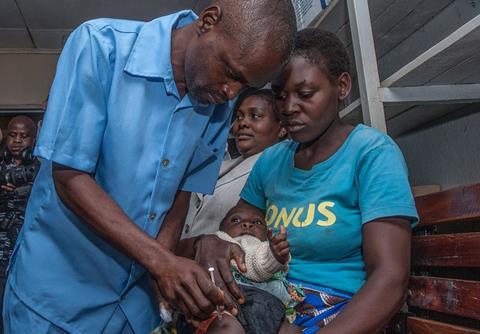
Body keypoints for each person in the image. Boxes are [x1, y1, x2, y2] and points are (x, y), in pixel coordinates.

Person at [2, 1, 296, 333]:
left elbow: (181, 192)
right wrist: (160, 261)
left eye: (243, 85)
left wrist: (165, 269)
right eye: (230, 72)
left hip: (133, 308)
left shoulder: (218, 102)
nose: (231, 91)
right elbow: (69, 177)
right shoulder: (100, 46)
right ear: (208, 21)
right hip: (58, 297)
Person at [191, 28, 419, 334]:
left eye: (306, 94)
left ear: (342, 86)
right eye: (280, 96)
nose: (288, 107)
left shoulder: (372, 154)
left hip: (341, 315)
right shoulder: (272, 160)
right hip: (270, 304)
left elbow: (390, 279)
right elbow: (237, 231)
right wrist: (210, 243)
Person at [170, 203, 302, 334]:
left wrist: (274, 254)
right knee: (228, 329)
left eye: (257, 222)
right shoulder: (219, 242)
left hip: (267, 310)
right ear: (221, 229)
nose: (247, 224)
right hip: (225, 307)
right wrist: (271, 258)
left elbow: (260, 261)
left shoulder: (263, 247)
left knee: (291, 330)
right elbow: (257, 264)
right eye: (236, 220)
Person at [182, 88, 287, 238]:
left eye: (255, 116)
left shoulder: (279, 167)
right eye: (239, 117)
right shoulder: (220, 163)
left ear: (282, 128)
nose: (243, 123)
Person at [0, 116, 39, 333]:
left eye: (23, 136)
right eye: (13, 135)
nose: (16, 141)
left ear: (33, 140)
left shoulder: (40, 168)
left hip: (26, 245)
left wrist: (24, 190)